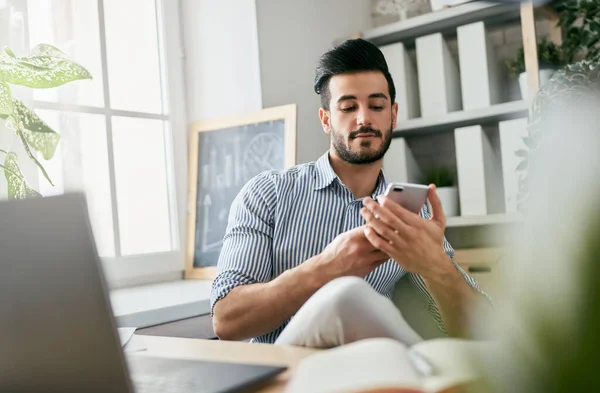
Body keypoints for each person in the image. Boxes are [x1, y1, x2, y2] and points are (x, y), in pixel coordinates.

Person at [210, 38, 491, 347]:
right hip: (289, 378)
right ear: (326, 120)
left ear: (393, 115)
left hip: (369, 378)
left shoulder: (410, 213)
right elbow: (227, 320)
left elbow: (482, 334)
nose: (364, 119)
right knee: (346, 295)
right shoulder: (268, 194)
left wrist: (435, 265)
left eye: (376, 106)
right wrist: (330, 267)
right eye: (348, 107)